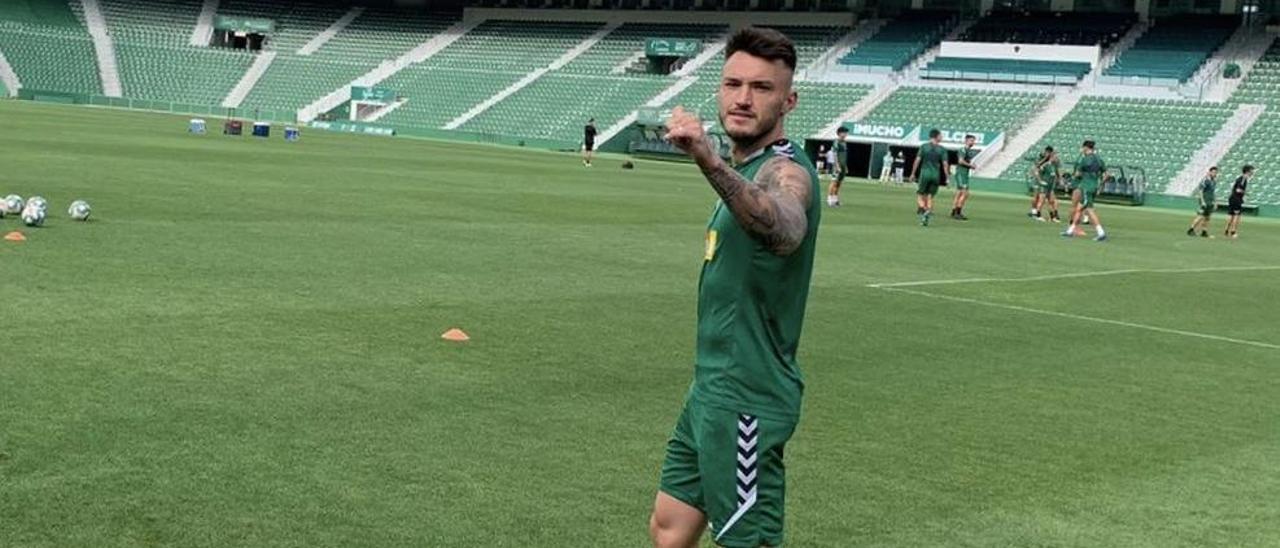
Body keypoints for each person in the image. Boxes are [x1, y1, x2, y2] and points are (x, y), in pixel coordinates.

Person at [654, 26, 821, 548]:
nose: (743, 99)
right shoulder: (750, 167)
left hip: (747, 397)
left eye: (761, 88)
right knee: (669, 526)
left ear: (788, 100)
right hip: (710, 388)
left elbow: (786, 225)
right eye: (733, 84)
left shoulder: (785, 170)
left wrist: (708, 158)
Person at [1063, 140, 1107, 241]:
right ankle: (1070, 230)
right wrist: (1100, 184)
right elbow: (1106, 174)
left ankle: (1101, 232)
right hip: (1094, 186)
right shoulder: (1099, 159)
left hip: (1086, 187)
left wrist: (1074, 176)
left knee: (1089, 210)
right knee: (1079, 209)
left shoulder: (1085, 159)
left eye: (1083, 148)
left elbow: (1078, 173)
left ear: (1086, 148)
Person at [911, 129, 948, 226]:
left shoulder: (924, 147)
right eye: (941, 135)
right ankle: (927, 213)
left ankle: (925, 209)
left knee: (920, 194)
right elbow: (945, 164)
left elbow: (917, 160)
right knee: (930, 196)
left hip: (925, 173)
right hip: (936, 175)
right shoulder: (942, 149)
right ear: (936, 136)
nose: (942, 137)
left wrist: (913, 173)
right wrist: (947, 177)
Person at [1029, 147, 1061, 223]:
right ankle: (1038, 215)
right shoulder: (1045, 165)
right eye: (1055, 157)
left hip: (1050, 186)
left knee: (1051, 201)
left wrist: (1059, 180)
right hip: (1044, 186)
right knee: (1041, 200)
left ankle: (1053, 217)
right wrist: (1040, 181)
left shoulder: (1053, 165)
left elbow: (1056, 174)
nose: (1056, 159)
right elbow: (1036, 171)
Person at [950, 134, 977, 220]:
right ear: (966, 140)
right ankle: (958, 212)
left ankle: (954, 211)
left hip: (964, 174)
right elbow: (960, 161)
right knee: (965, 193)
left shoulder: (968, 151)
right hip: (961, 173)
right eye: (971, 140)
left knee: (959, 193)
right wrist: (970, 166)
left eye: (973, 141)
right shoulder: (963, 150)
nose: (973, 142)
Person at [1187, 166, 1218, 238]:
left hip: (1210, 201)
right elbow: (1200, 191)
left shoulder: (1214, 181)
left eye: (1215, 172)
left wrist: (1215, 202)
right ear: (1210, 172)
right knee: (1201, 216)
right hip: (1205, 201)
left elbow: (1213, 192)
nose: (1214, 174)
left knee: (1207, 217)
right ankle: (1191, 229)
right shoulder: (1206, 180)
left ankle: (1204, 231)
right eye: (1213, 172)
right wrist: (1202, 201)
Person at [1225, 164, 1253, 238]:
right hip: (1236, 198)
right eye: (1251, 171)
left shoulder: (1241, 178)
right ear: (1247, 171)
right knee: (1237, 215)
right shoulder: (1243, 179)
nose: (1252, 172)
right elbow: (1238, 190)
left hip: (1233, 198)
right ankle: (1233, 231)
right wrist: (1245, 193)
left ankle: (1226, 230)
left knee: (1232, 215)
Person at [826, 127, 849, 207]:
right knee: (834, 182)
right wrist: (837, 165)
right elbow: (834, 154)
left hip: (842, 165)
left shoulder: (844, 142)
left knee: (839, 183)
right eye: (844, 132)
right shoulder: (836, 142)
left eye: (846, 133)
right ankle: (829, 199)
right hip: (837, 165)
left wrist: (845, 166)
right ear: (839, 133)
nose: (846, 134)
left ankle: (835, 199)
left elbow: (844, 155)